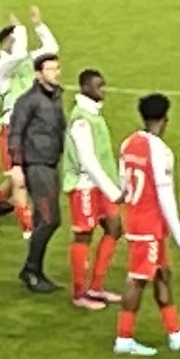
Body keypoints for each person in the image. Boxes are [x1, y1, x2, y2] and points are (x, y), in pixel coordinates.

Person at [112, 93, 180, 355]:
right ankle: (123, 339)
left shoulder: (128, 143)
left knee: (162, 274)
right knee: (137, 279)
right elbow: (164, 193)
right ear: (165, 119)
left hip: (139, 221)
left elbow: (123, 183)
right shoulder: (161, 151)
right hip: (147, 225)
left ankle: (175, 334)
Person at [0, 7, 56, 237]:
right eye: (14, 40)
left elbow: (51, 49)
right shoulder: (1, 67)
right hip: (11, 128)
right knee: (19, 180)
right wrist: (20, 29)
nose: (19, 43)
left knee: (17, 177)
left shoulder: (28, 60)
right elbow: (18, 55)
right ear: (5, 44)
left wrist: (38, 25)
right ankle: (28, 229)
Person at [0, 34, 67, 292]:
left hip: (50, 163)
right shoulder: (29, 100)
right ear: (38, 74)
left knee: (44, 220)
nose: (55, 73)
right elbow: (15, 133)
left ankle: (35, 270)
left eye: (57, 68)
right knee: (49, 220)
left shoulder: (54, 97)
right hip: (37, 165)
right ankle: (31, 270)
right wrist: (16, 166)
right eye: (50, 69)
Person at [59, 69, 127, 309]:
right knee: (84, 235)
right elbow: (87, 160)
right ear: (85, 87)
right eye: (99, 86)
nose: (103, 90)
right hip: (84, 185)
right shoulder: (81, 119)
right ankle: (79, 293)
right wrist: (114, 192)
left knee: (114, 228)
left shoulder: (93, 114)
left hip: (100, 185)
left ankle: (97, 287)